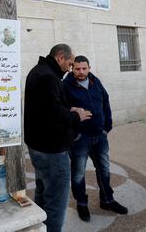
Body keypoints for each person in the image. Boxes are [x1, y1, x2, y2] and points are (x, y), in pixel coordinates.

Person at [24, 44, 92, 232]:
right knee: (55, 203)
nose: (70, 68)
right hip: (51, 150)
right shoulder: (47, 77)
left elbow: (46, 108)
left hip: (39, 146)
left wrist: (70, 109)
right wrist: (77, 116)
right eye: (70, 64)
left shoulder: (40, 71)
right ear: (60, 57)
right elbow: (54, 115)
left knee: (43, 194)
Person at [63, 55, 128, 222]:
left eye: (84, 68)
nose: (81, 72)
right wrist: (74, 133)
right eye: (77, 68)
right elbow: (61, 109)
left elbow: (105, 101)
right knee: (78, 174)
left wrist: (107, 126)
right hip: (80, 138)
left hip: (100, 135)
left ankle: (107, 200)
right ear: (72, 68)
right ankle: (82, 204)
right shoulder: (66, 85)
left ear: (89, 68)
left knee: (104, 169)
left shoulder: (95, 81)